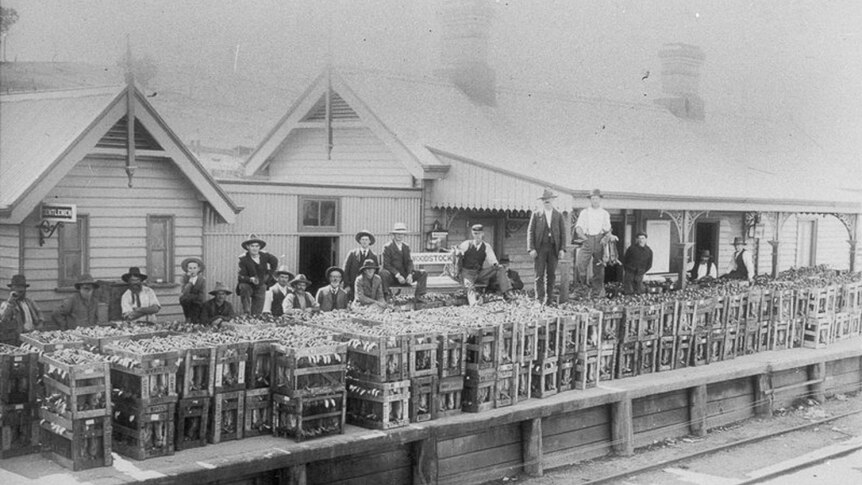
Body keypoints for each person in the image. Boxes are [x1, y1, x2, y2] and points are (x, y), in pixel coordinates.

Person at [527, 188, 567, 305]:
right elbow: (530, 232)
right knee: (539, 275)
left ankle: (549, 300)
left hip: (553, 248)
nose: (546, 201)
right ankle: (539, 300)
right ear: (542, 201)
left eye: (548, 199)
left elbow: (563, 233)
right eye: (544, 199)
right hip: (540, 248)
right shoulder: (536, 214)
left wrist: (562, 249)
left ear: (553, 200)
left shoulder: (558, 215)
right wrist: (531, 248)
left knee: (551, 275)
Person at [456, 224, 512, 305]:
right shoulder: (466, 244)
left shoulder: (486, 246)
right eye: (475, 233)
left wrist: (496, 265)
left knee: (500, 268)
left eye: (479, 233)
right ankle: (474, 303)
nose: (477, 236)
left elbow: (493, 261)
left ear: (483, 234)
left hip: (479, 273)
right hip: (467, 273)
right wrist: (458, 252)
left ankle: (506, 294)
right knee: (469, 287)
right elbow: (457, 252)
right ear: (472, 234)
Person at [575, 189, 613, 297]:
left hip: (600, 241)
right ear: (590, 200)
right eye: (592, 198)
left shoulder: (604, 213)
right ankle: (581, 289)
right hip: (587, 239)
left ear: (600, 199)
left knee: (599, 268)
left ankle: (596, 292)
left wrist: (605, 239)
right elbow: (578, 228)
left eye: (596, 198)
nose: (594, 200)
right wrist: (583, 237)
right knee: (580, 264)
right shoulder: (585, 212)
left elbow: (608, 230)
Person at [380, 223, 428, 301]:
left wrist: (410, 274)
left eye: (402, 234)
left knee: (423, 273)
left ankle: (419, 296)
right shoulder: (388, 247)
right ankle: (387, 295)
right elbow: (386, 265)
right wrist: (398, 275)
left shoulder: (406, 246)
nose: (400, 236)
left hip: (405, 275)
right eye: (398, 234)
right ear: (394, 235)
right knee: (383, 273)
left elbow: (409, 262)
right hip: (393, 277)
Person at [236, 234, 279, 315]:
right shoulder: (243, 259)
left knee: (258, 309)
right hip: (248, 284)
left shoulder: (264, 256)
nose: (255, 248)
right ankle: (247, 313)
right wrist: (250, 279)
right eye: (252, 246)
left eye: (257, 246)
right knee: (243, 287)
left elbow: (275, 261)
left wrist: (270, 274)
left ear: (259, 247)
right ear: (247, 247)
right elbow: (241, 276)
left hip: (260, 284)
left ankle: (256, 316)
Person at [0, 274, 44, 345]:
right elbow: (4, 319)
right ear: (12, 290)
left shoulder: (29, 302)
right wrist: (10, 302)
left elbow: (39, 312)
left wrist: (40, 323)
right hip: (17, 338)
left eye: (22, 290)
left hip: (32, 335)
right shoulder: (7, 304)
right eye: (18, 290)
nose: (20, 293)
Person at [343, 230, 379, 301]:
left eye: (366, 240)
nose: (364, 241)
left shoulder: (373, 256)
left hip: (368, 287)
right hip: (352, 286)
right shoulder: (352, 254)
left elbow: (376, 272)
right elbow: (345, 270)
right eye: (362, 239)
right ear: (359, 241)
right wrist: (347, 285)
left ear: (370, 241)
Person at [179, 257, 206, 323]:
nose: (192, 270)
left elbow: (201, 294)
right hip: (187, 303)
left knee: (196, 318)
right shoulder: (184, 278)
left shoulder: (201, 279)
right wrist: (190, 283)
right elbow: (184, 292)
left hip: (197, 302)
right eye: (190, 268)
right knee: (184, 299)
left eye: (194, 268)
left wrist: (192, 296)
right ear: (187, 269)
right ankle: (188, 319)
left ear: (198, 269)